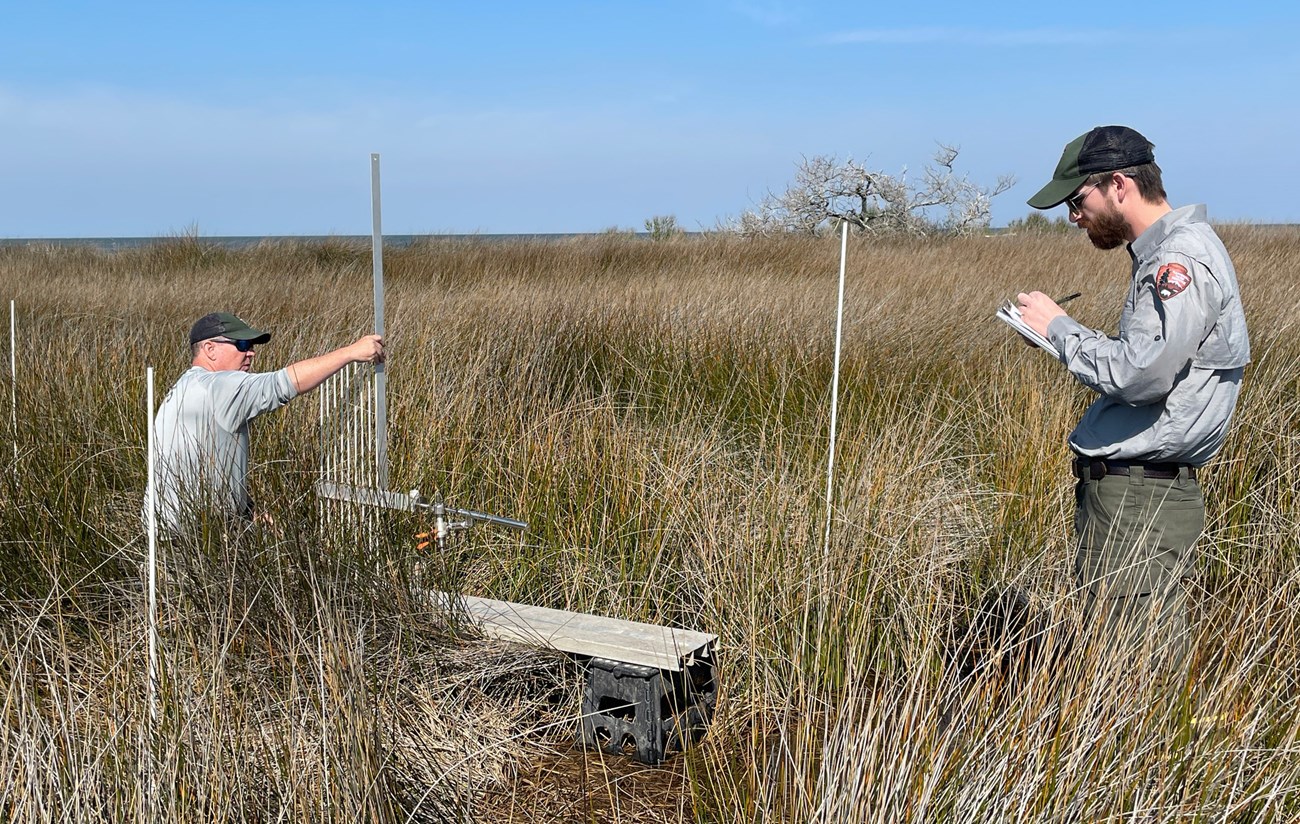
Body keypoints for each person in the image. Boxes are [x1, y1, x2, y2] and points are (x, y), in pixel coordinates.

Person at [1016, 125, 1249, 662]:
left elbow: (1142, 374)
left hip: (1140, 503)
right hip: (1140, 498)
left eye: (1078, 201)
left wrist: (1060, 329)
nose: (1074, 217)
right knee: (1129, 657)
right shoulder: (1169, 252)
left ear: (1119, 184)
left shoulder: (1179, 259)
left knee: (1133, 672)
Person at [146, 311, 384, 533]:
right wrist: (350, 353)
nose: (250, 352)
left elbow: (201, 465)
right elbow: (283, 384)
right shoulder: (220, 386)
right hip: (195, 540)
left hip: (164, 533)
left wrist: (247, 511)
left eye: (251, 346)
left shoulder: (184, 387)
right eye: (241, 345)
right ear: (209, 348)